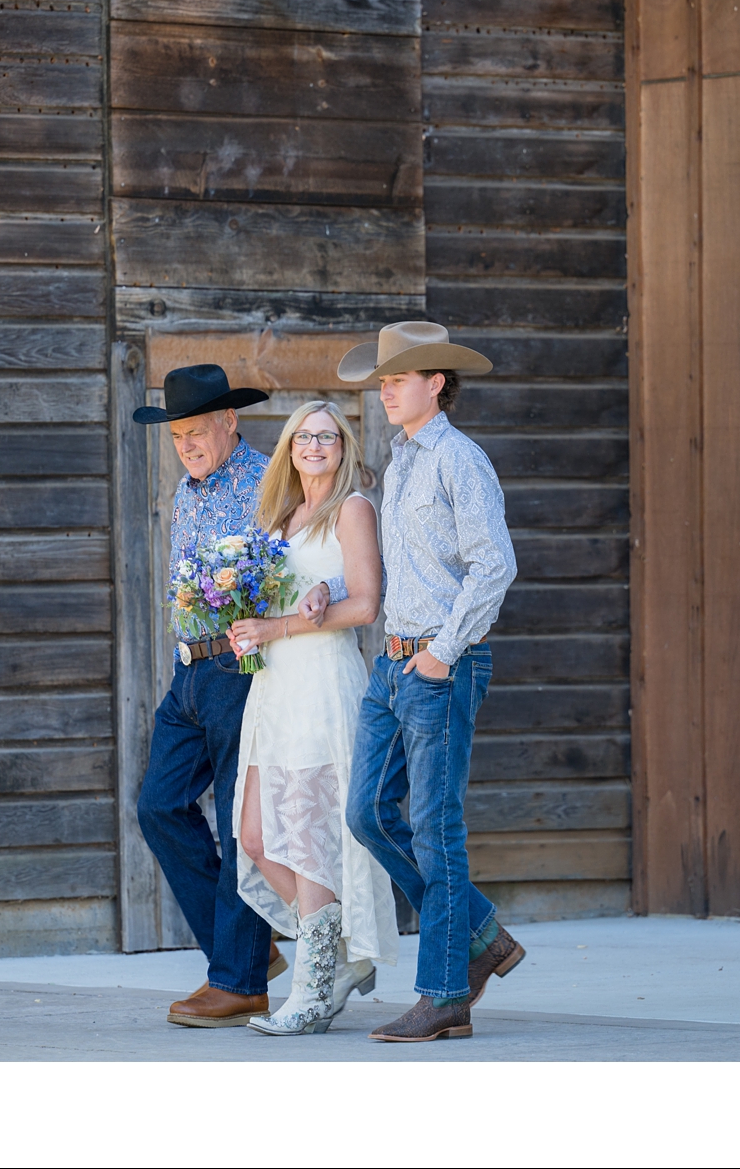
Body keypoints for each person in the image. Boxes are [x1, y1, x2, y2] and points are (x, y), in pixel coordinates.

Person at [336, 321, 526, 1043]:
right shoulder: (401, 461)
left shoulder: (459, 460)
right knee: (367, 815)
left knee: (436, 830)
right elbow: (403, 569)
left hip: (441, 664)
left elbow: (494, 565)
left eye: (398, 378)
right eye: (382, 379)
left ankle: (445, 993)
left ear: (436, 383)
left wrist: (444, 651)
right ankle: (480, 933)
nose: (384, 390)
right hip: (394, 663)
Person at [132, 364, 335, 1028]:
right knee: (159, 806)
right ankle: (245, 948)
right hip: (187, 672)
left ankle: (240, 980)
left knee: (238, 823)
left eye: (197, 431)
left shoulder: (265, 482)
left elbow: (302, 554)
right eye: (177, 435)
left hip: (240, 670)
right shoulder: (185, 492)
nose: (186, 444)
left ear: (230, 421)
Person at [224, 400, 399, 1035]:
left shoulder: (351, 508)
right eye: (304, 437)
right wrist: (246, 620)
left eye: (327, 436)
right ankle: (343, 956)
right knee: (257, 836)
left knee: (308, 835)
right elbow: (274, 598)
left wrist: (290, 620)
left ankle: (310, 990)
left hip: (324, 684)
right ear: (290, 450)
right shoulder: (279, 517)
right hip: (275, 687)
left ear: (343, 447)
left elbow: (366, 605)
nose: (316, 446)